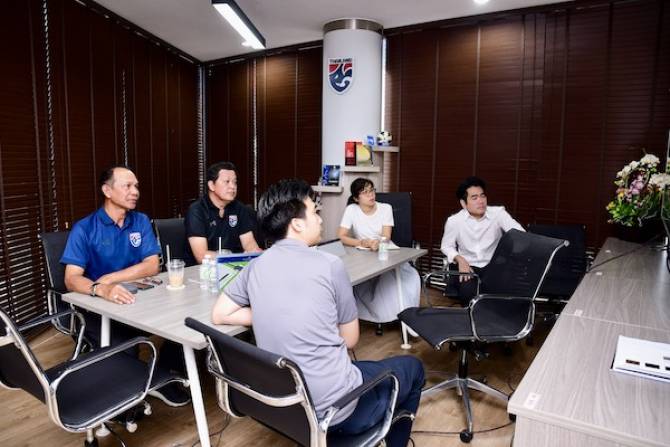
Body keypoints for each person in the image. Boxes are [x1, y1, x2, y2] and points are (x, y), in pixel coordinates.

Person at [212, 179, 424, 447]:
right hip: (337, 411)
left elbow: (220, 314)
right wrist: (285, 316)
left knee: (363, 369)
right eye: (314, 211)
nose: (320, 219)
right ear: (297, 224)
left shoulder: (255, 266)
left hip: (284, 407)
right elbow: (350, 340)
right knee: (414, 368)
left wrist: (272, 314)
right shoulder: (330, 265)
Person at [61, 165, 190, 407]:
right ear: (107, 191)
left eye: (136, 186)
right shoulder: (85, 228)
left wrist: (110, 279)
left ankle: (161, 375)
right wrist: (101, 289)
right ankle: (123, 401)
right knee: (124, 351)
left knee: (184, 321)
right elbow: (71, 278)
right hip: (99, 308)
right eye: (128, 186)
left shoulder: (140, 221)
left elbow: (152, 265)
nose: (135, 192)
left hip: (139, 299)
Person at [337, 178, 421, 325]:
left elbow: (386, 236)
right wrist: (361, 242)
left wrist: (377, 243)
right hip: (362, 253)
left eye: (372, 190)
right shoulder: (351, 210)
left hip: (384, 250)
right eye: (365, 192)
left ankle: (399, 315)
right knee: (353, 276)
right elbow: (341, 236)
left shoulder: (385, 208)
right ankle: (369, 314)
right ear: (356, 198)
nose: (371, 195)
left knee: (394, 278)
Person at [440, 176, 524, 303]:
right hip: (469, 266)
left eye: (482, 196)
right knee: (468, 295)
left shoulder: (498, 214)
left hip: (494, 266)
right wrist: (460, 259)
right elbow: (446, 246)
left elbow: (520, 234)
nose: (481, 201)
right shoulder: (454, 221)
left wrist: (511, 253)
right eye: (474, 198)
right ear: (463, 203)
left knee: (504, 297)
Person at [184, 162, 261, 265]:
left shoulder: (239, 208)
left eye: (235, 182)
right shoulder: (197, 210)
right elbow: (201, 256)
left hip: (232, 266)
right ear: (211, 185)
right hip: (201, 270)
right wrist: (235, 258)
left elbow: (249, 243)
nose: (232, 186)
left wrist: (255, 253)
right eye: (227, 182)